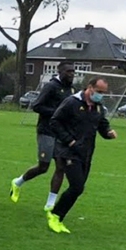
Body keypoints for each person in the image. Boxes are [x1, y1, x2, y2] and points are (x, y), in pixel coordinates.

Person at [47, 77, 117, 234]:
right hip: (68, 151)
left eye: (103, 93)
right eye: (99, 92)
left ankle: (57, 215)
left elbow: (101, 125)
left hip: (86, 153)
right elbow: (55, 122)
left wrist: (108, 133)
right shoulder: (71, 102)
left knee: (78, 188)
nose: (101, 95)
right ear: (89, 87)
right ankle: (55, 216)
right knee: (77, 186)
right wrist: (70, 141)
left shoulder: (98, 107)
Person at [10, 61, 76, 210]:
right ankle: (18, 182)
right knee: (43, 167)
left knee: (61, 166)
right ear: (60, 72)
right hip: (47, 131)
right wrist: (57, 113)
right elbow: (37, 106)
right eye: (68, 71)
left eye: (73, 71)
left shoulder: (71, 89)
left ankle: (50, 203)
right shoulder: (51, 87)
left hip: (62, 134)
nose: (71, 74)